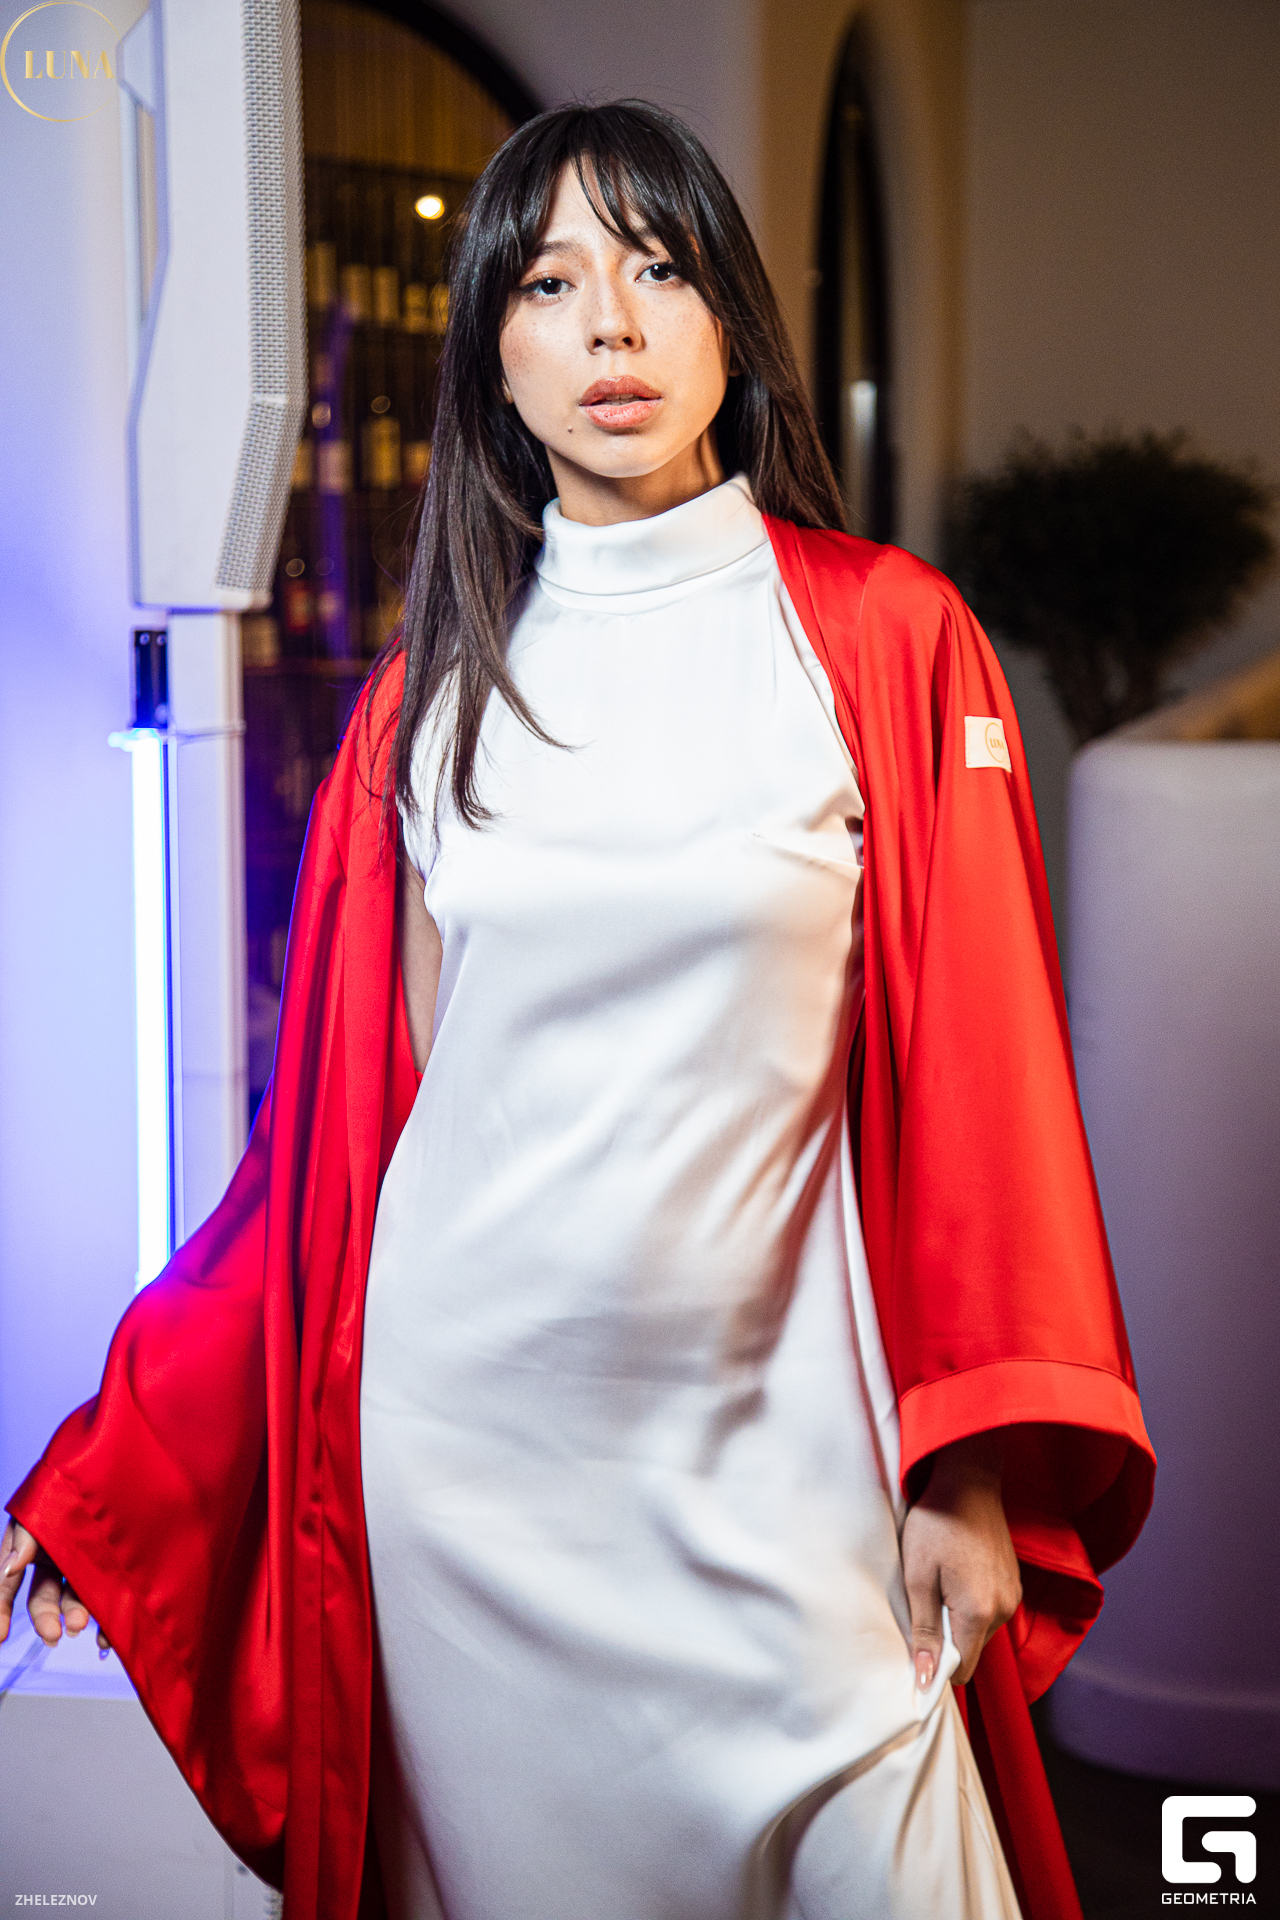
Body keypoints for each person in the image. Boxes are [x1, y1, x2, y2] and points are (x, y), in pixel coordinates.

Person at [1, 101, 1153, 1920]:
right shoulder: (421, 707)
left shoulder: (883, 637)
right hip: (475, 1485)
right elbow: (334, 1162)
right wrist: (115, 1470)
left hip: (804, 1479)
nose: (611, 323)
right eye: (548, 284)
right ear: (491, 351)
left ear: (729, 320)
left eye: (658, 267)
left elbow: (987, 1078)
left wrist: (976, 1465)